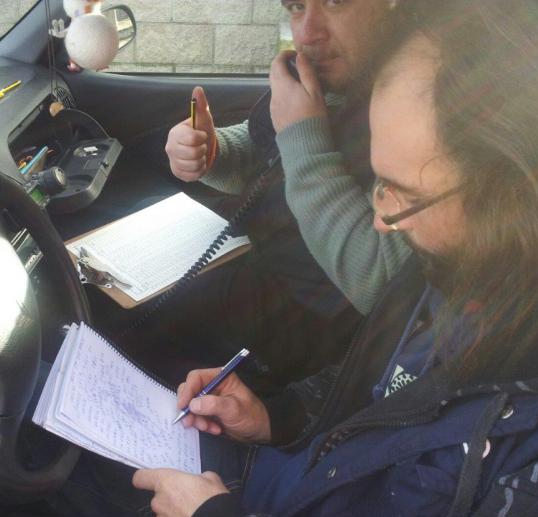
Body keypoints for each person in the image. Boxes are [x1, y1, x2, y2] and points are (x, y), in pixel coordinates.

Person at [123, 0, 538, 517]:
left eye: (399, 191)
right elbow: (383, 388)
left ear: (514, 195)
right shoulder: (452, 268)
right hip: (291, 492)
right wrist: (276, 419)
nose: (381, 220)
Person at [129, 0, 413, 387]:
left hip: (308, 321)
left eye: (334, 2)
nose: (307, 33)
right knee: (141, 226)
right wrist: (214, 152)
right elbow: (275, 149)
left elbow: (381, 284)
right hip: (264, 255)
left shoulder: (419, 102)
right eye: (296, 6)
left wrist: (302, 134)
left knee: (125, 321)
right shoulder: (343, 82)